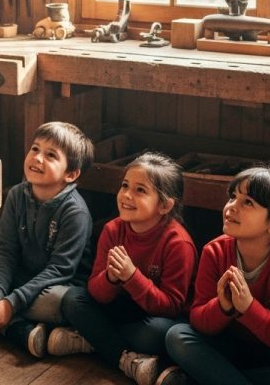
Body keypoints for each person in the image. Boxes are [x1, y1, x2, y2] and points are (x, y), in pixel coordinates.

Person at [165, 164, 270, 385]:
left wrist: (248, 308)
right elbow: (198, 319)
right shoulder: (214, 251)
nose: (232, 207)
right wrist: (223, 307)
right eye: (233, 197)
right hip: (227, 346)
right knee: (177, 336)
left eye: (248, 203)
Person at [0, 122, 94, 358]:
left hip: (56, 287)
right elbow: (6, 251)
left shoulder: (75, 212)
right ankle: (19, 330)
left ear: (71, 174)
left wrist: (12, 302)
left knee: (62, 302)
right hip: (20, 278)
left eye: (50, 155)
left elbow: (60, 270)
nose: (37, 158)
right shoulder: (17, 195)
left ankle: (4, 317)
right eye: (35, 149)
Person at [53, 152, 197, 385]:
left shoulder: (178, 243)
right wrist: (110, 278)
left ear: (164, 205)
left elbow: (170, 307)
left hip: (152, 317)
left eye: (140, 190)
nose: (127, 195)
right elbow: (95, 292)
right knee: (72, 299)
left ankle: (94, 338)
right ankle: (125, 357)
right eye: (125, 185)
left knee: (158, 335)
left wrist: (132, 277)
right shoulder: (113, 230)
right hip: (118, 308)